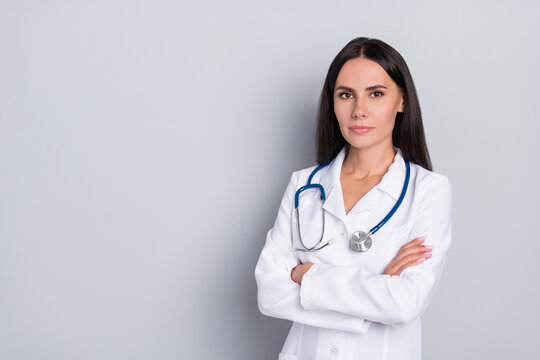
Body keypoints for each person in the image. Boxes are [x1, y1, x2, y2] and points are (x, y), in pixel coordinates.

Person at [254, 37, 453, 360]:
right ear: (332, 103)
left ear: (401, 101)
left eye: (376, 94)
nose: (359, 110)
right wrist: (375, 291)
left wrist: (308, 276)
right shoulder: (304, 185)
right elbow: (270, 293)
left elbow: (405, 302)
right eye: (346, 95)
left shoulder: (429, 189)